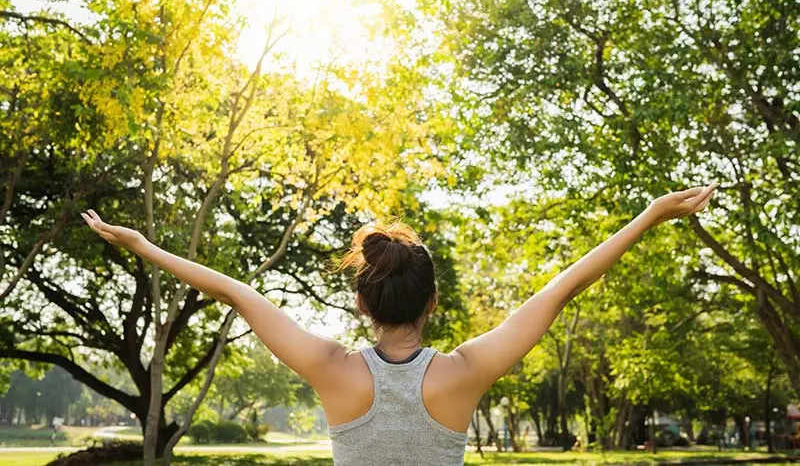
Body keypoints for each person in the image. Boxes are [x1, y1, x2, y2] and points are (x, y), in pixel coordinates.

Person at [81, 183, 717, 465]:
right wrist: (648, 217)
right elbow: (563, 287)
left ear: (362, 304)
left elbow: (236, 292)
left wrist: (143, 245)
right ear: (432, 302)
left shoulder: (333, 372)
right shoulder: (463, 375)